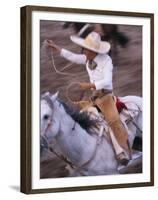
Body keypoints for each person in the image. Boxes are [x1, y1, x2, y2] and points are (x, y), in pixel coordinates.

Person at [46, 32, 130, 165]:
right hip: (93, 96)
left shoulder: (107, 61)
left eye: (86, 49)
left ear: (94, 51)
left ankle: (121, 151)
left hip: (106, 95)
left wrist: (89, 85)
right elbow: (73, 57)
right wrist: (57, 48)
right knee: (80, 118)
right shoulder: (87, 58)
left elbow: (107, 80)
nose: (84, 51)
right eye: (84, 48)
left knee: (112, 120)